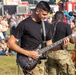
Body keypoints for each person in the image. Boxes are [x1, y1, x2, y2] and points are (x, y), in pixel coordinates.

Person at [7, 1, 70, 75]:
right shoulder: (24, 24)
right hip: (29, 62)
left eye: (47, 15)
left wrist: (61, 46)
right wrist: (28, 53)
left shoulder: (47, 26)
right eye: (44, 14)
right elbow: (10, 43)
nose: (46, 17)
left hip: (43, 63)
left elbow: (49, 45)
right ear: (37, 11)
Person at [45, 11, 76, 75]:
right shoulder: (66, 26)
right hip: (61, 53)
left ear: (55, 17)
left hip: (50, 53)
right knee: (69, 72)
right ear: (63, 18)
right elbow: (72, 41)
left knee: (52, 73)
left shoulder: (49, 26)